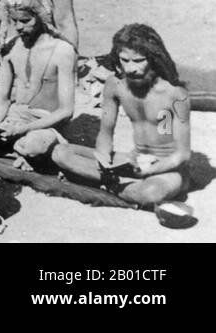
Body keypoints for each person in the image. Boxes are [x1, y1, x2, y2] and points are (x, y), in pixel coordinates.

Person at [51, 24, 191, 207]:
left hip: (167, 169)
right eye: (124, 60)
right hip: (132, 161)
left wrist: (151, 169)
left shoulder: (175, 93)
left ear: (154, 58)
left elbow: (182, 155)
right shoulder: (115, 85)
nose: (130, 68)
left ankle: (109, 184)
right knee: (61, 153)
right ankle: (121, 185)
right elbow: (105, 133)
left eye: (138, 60)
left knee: (152, 192)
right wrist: (103, 156)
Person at [0, 0, 77, 164]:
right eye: (14, 21)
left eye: (25, 20)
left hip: (45, 124)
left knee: (33, 146)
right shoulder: (10, 48)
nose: (19, 27)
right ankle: (15, 149)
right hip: (14, 120)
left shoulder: (62, 51)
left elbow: (66, 111)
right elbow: (3, 100)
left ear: (41, 16)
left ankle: (18, 149)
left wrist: (25, 129)